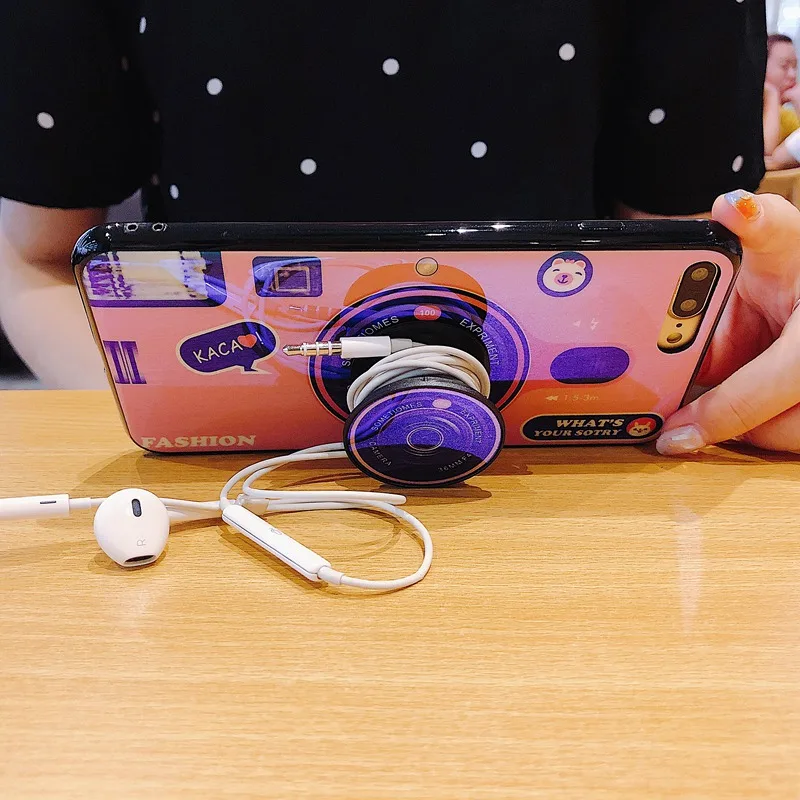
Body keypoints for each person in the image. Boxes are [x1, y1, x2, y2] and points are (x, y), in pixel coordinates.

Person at [5, 1, 796, 458]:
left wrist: (747, 356)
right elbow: (34, 259)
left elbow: (681, 270)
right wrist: (171, 430)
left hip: (558, 476)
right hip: (209, 494)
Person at [763, 33, 800, 155]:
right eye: (784, 66)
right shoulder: (745, 109)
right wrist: (771, 95)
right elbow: (765, 150)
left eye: (795, 67)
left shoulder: (785, 115)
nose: (792, 75)